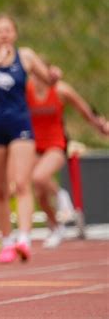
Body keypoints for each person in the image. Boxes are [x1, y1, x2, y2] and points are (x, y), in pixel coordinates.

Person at [0, 14, 60, 264]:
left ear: (15, 34)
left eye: (8, 30)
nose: (4, 35)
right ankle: (6, 240)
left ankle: (24, 238)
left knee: (21, 183)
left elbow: (47, 80)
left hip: (20, 125)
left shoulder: (27, 56)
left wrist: (53, 74)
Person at [26, 63, 109, 248]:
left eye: (41, 76)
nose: (37, 80)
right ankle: (56, 227)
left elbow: (84, 109)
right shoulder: (25, 91)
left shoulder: (61, 90)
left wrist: (100, 125)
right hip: (34, 144)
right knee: (39, 192)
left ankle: (62, 195)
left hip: (57, 143)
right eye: (34, 76)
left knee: (39, 177)